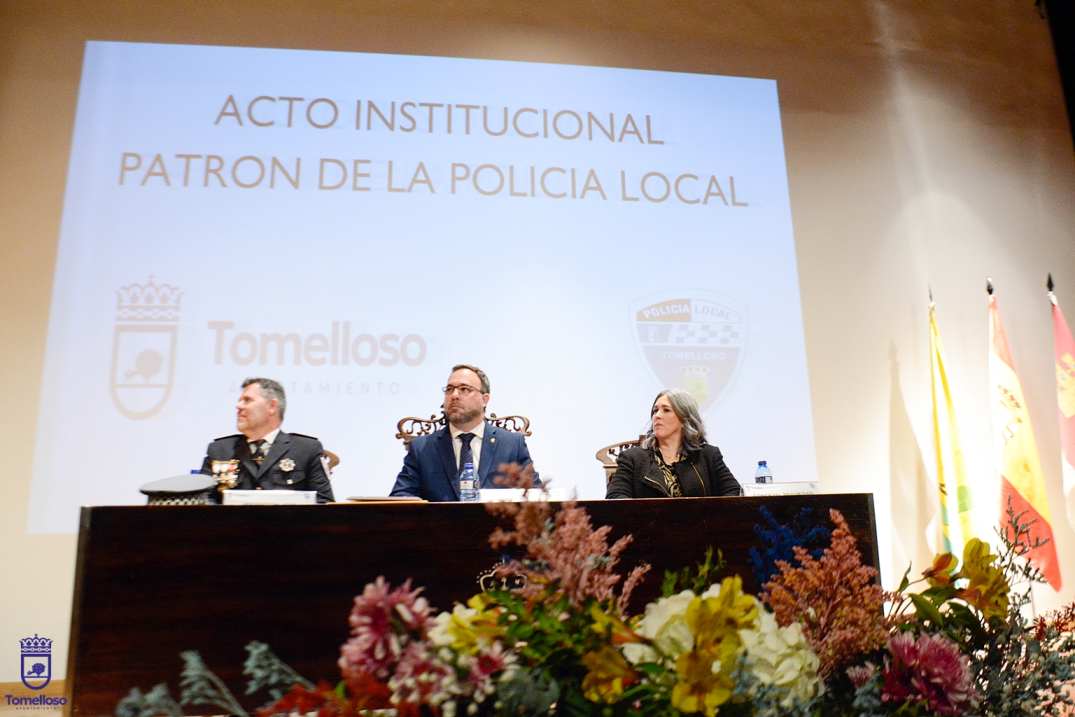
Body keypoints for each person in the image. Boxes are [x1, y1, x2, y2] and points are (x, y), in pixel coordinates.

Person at [390, 364, 537, 501]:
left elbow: (536, 496)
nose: (454, 395)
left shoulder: (511, 445)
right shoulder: (422, 448)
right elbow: (400, 498)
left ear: (484, 399)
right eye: (449, 389)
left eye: (464, 389)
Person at [200, 377, 335, 503]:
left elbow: (324, 504)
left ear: (272, 406)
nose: (239, 406)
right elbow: (202, 503)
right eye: (240, 400)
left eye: (247, 400)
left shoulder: (306, 449)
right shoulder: (220, 450)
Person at [606, 388, 740, 499]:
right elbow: (615, 497)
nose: (657, 415)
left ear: (685, 419)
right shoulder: (632, 458)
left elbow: (734, 492)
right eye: (655, 410)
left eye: (666, 410)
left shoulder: (708, 455)